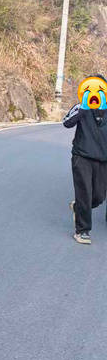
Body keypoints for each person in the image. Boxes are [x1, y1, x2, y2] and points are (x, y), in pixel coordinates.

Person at [64, 74, 107, 244]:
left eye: (99, 90)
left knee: (98, 197)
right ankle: (82, 231)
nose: (95, 93)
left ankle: (78, 207)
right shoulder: (81, 108)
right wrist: (83, 106)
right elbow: (66, 122)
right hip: (82, 156)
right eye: (90, 89)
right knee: (85, 193)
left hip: (103, 160)